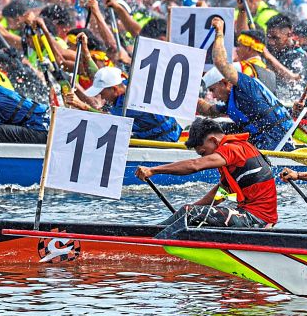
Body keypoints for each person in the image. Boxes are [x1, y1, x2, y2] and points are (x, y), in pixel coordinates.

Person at [141, 118, 278, 230]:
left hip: (256, 218)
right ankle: (152, 233)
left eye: (203, 153)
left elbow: (195, 165)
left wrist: (154, 170)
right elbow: (220, 195)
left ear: (213, 140)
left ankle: (148, 240)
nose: (204, 157)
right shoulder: (234, 158)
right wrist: (186, 211)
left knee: (189, 212)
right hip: (252, 214)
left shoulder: (233, 148)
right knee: (189, 211)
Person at [197, 16, 293, 151]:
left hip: (277, 147)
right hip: (264, 142)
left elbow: (220, 62)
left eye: (213, 90)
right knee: (211, 129)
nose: (212, 96)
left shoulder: (245, 85)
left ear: (225, 83)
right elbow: (208, 110)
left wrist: (219, 32)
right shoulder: (234, 98)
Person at [73, 66, 182, 142]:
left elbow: (105, 119)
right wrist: (86, 53)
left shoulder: (127, 105)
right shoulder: (125, 84)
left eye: (102, 92)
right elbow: (102, 78)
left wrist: (82, 106)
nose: (101, 96)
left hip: (166, 139)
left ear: (115, 89)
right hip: (171, 129)